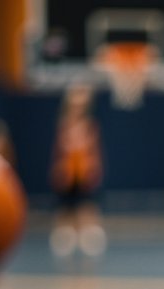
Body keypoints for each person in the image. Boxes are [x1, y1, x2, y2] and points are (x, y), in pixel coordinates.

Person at [49, 85, 105, 264]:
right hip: (67, 173)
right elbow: (58, 152)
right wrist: (58, 169)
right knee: (66, 207)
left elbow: (95, 151)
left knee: (86, 205)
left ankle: (88, 234)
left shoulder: (90, 126)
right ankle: (65, 234)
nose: (78, 108)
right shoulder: (64, 126)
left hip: (84, 172)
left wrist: (94, 167)